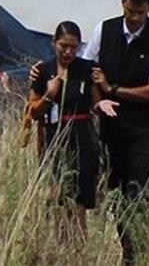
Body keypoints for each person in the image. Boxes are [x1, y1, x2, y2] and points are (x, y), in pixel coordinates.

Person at [83, 0, 149, 264]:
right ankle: (128, 250)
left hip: (144, 129)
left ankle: (138, 254)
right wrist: (98, 101)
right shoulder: (104, 30)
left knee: (137, 190)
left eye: (140, 13)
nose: (134, 18)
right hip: (111, 128)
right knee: (115, 191)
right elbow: (89, 70)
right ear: (123, 2)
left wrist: (113, 90)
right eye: (130, 11)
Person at [28, 21, 118, 239]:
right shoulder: (42, 70)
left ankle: (79, 244)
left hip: (83, 136)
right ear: (54, 43)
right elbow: (33, 112)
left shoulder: (87, 68)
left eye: (73, 47)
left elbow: (95, 102)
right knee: (58, 193)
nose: (68, 52)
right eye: (63, 46)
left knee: (79, 196)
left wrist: (101, 104)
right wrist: (49, 95)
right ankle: (61, 243)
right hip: (54, 136)